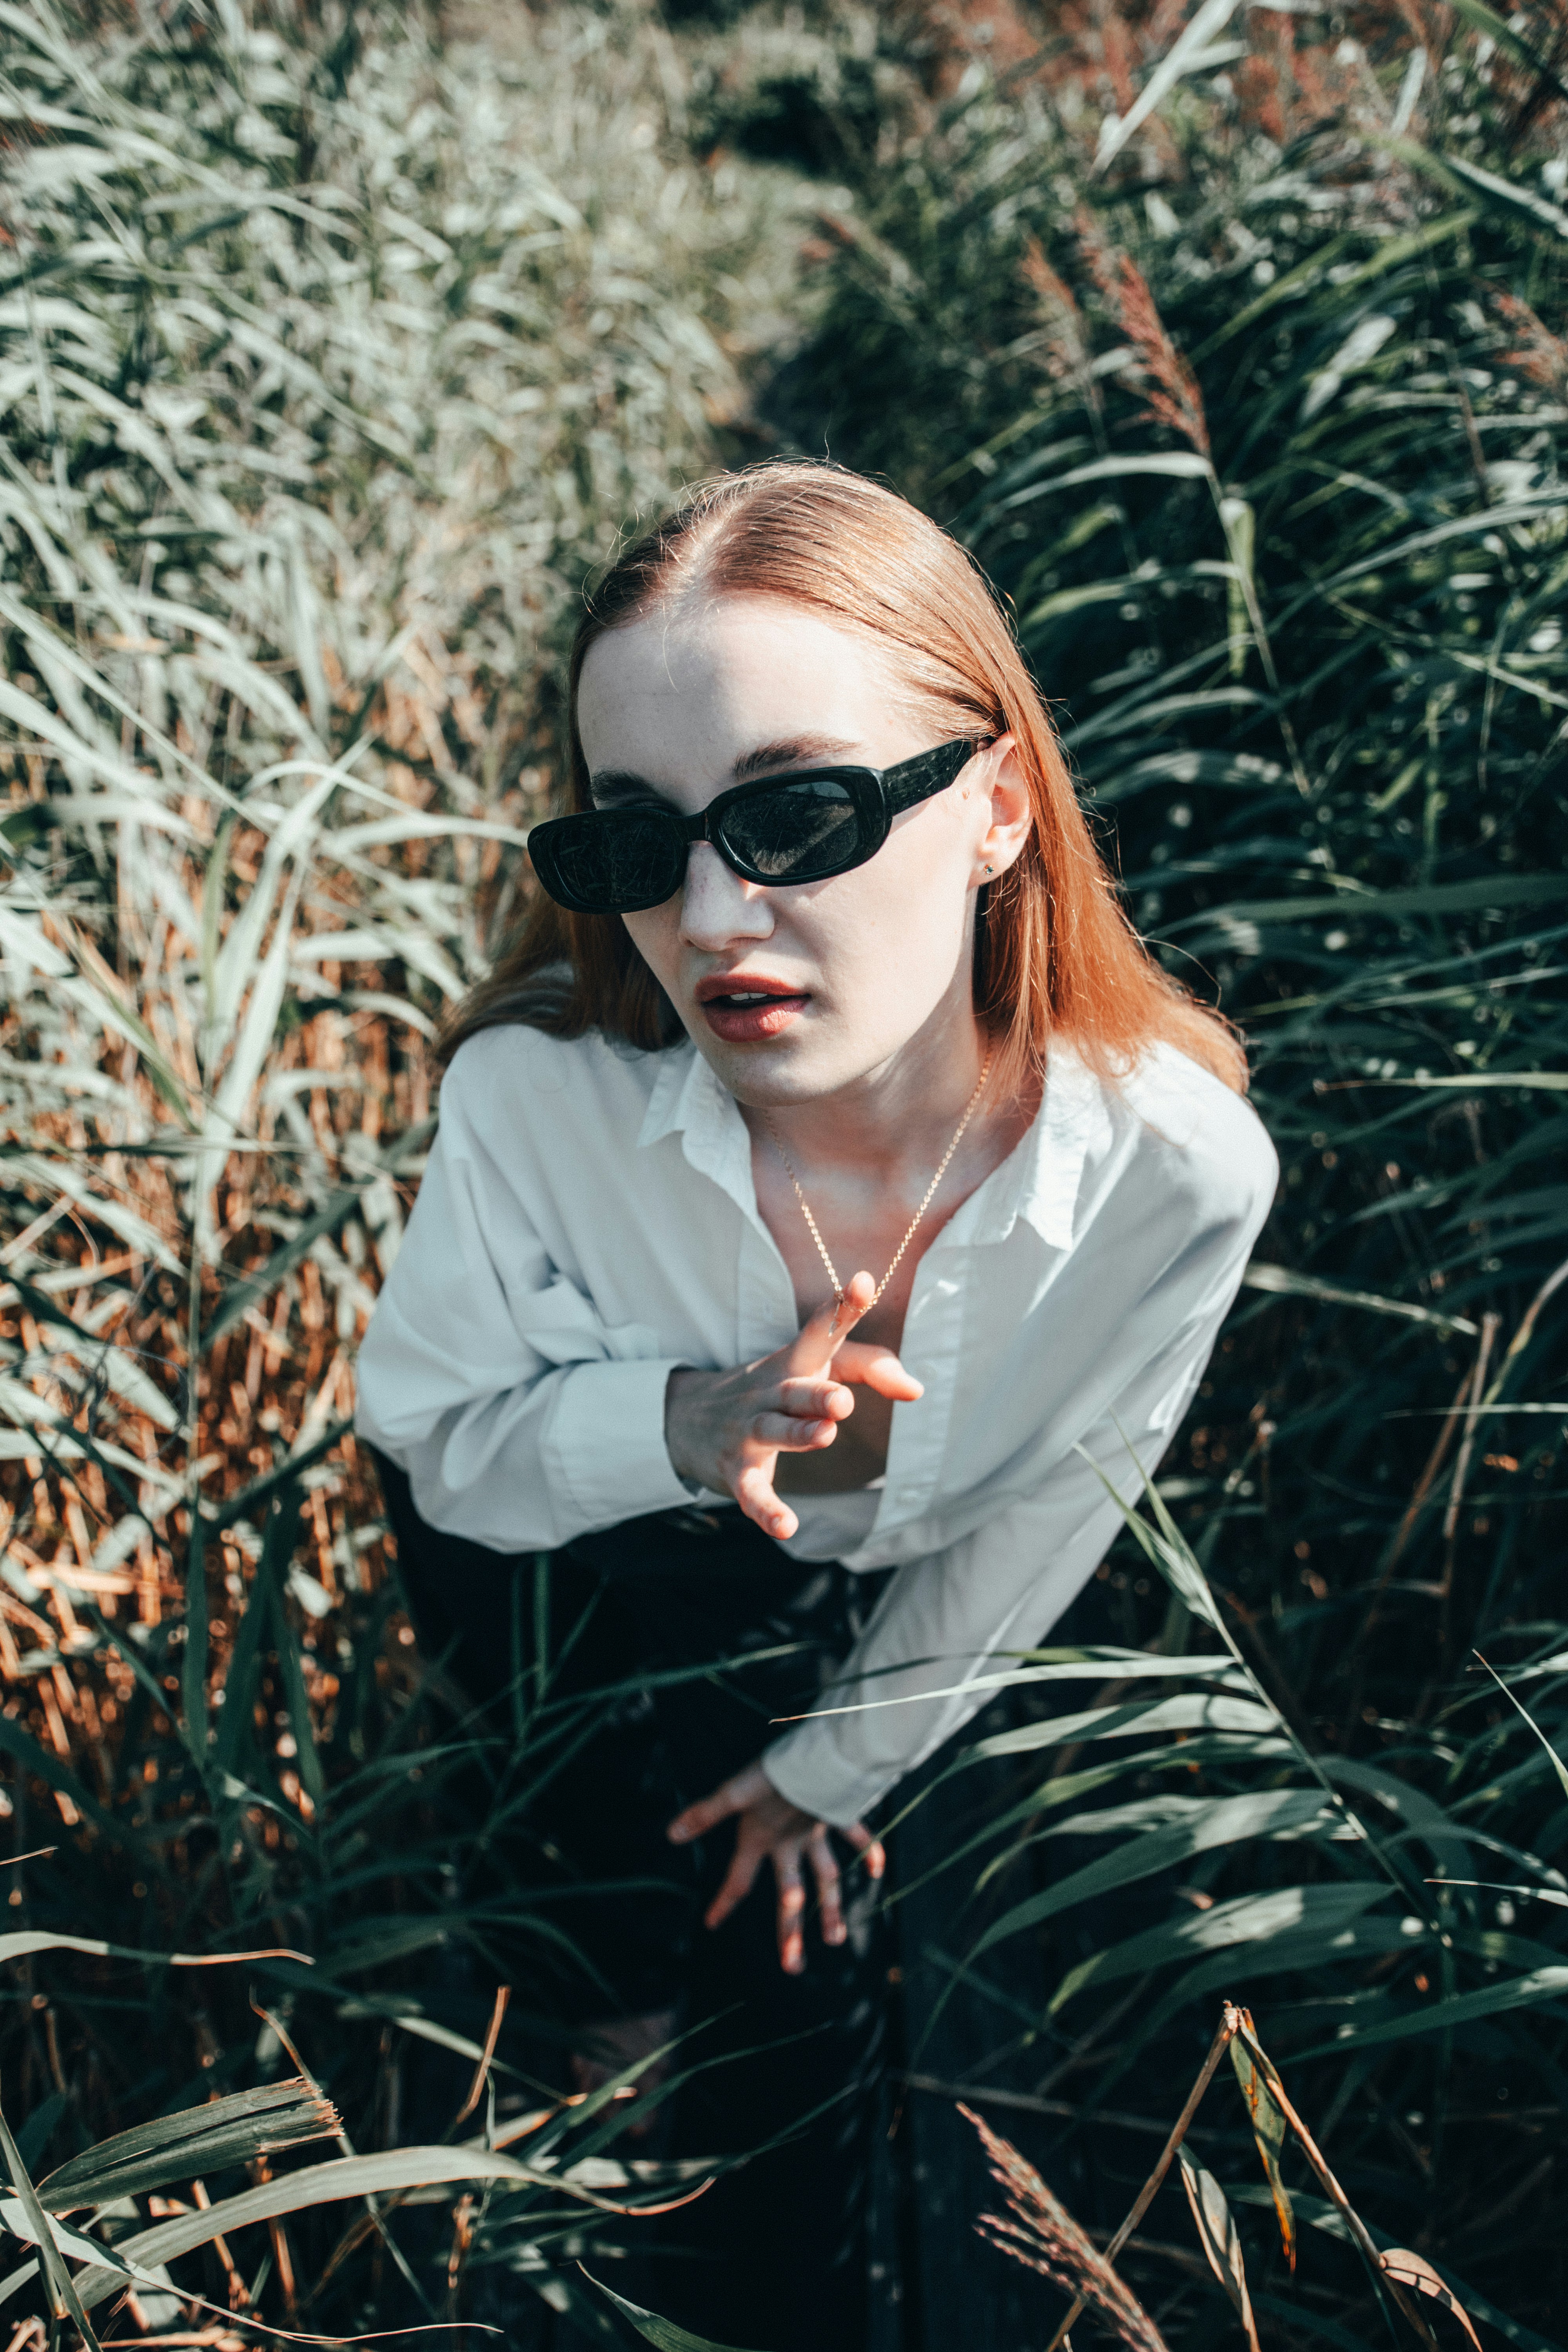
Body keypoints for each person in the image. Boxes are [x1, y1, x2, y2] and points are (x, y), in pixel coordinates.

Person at [355, 461, 1277, 2348]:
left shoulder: (1173, 1168)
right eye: (638, 841)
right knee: (566, 1845)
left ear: (997, 805)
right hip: (546, 1534)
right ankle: (582, 2037)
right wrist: (685, 1424)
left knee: (797, 1974)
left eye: (795, 813)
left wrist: (828, 1772)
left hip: (851, 1592)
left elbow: (1050, 1513)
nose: (706, 915)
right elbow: (444, 1448)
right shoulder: (536, 1103)